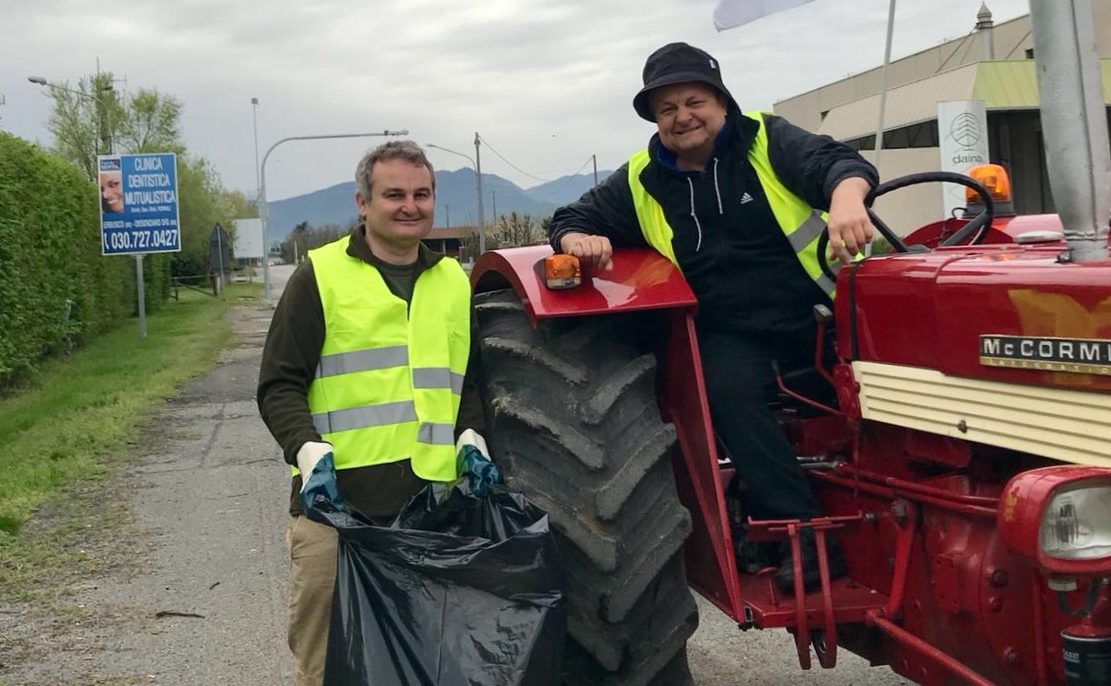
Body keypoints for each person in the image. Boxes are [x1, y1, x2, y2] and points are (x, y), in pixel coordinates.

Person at [548, 42, 878, 591]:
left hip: (821, 312)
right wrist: (577, 237)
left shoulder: (767, 141)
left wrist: (847, 199)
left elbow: (839, 164)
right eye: (667, 109)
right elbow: (572, 216)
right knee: (724, 390)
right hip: (731, 331)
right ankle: (803, 531)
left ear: (722, 102)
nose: (682, 117)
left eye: (693, 100)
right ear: (656, 120)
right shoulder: (641, 179)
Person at [257, 140, 483, 686]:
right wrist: (309, 453)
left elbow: (467, 383)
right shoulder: (320, 275)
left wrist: (473, 440)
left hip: (430, 510)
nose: (411, 206)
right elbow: (278, 384)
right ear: (363, 202)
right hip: (335, 512)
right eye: (394, 194)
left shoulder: (453, 281)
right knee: (329, 665)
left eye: (422, 194)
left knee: (427, 662)